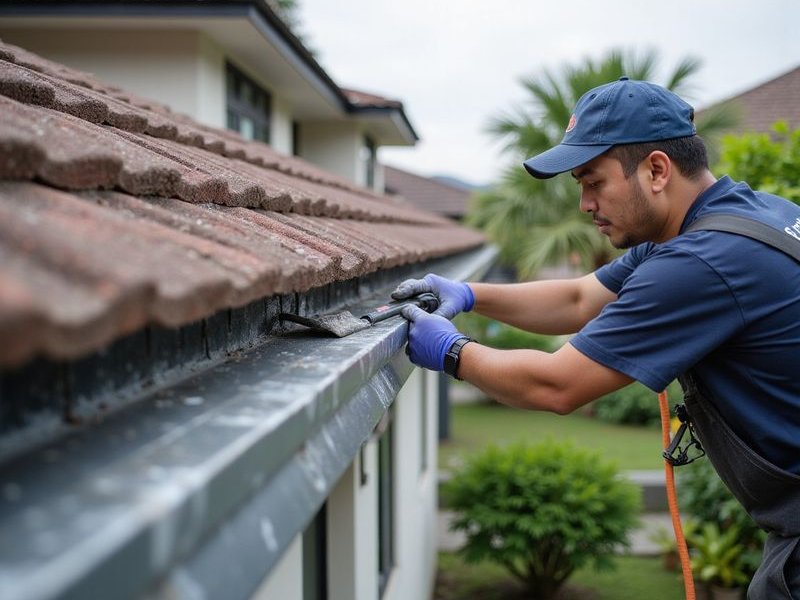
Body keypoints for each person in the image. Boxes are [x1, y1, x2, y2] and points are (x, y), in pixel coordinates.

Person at [394, 77, 800, 599]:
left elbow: (555, 386)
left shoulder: (702, 260)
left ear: (657, 169)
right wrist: (468, 294)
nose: (585, 204)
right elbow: (579, 301)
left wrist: (450, 351)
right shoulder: (744, 216)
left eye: (594, 182)